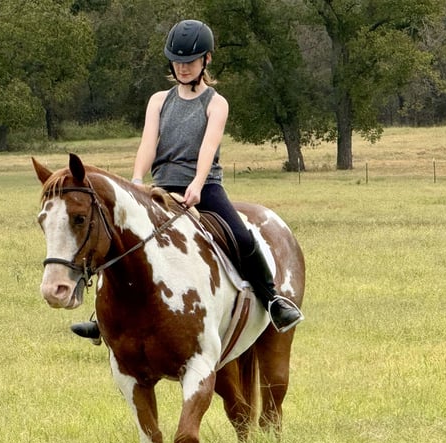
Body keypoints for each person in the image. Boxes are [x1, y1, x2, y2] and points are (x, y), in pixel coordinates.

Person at [71, 19, 303, 343]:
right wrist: (138, 181)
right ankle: (102, 318)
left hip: (204, 187)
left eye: (190, 61)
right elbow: (148, 144)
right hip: (159, 187)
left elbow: (208, 147)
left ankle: (273, 301)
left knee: (242, 237)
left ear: (206, 60)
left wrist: (196, 186)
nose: (182, 68)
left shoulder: (216, 103)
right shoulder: (158, 101)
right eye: (177, 61)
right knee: (120, 240)